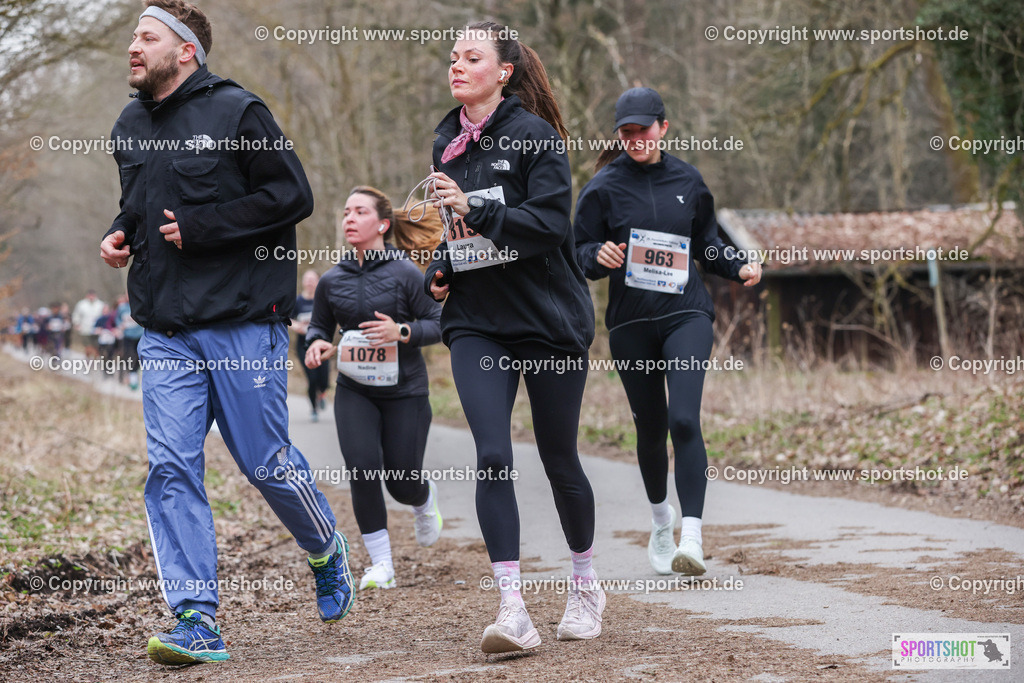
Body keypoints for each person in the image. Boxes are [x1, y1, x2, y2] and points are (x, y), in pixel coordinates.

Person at [98, 0, 354, 666]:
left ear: (186, 51)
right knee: (171, 466)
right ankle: (196, 617)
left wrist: (207, 227)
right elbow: (139, 205)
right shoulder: (130, 124)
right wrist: (120, 232)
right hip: (165, 330)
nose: (133, 47)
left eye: (147, 37)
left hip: (242, 322)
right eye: (132, 36)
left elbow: (292, 196)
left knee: (264, 462)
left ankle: (324, 546)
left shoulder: (239, 112)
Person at [423, 21, 603, 652]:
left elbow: (549, 226)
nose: (456, 65)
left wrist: (476, 207)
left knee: (559, 458)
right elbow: (456, 232)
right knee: (493, 455)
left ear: (504, 71)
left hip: (547, 321)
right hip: (478, 323)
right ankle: (512, 608)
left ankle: (585, 585)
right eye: (453, 56)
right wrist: (442, 268)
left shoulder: (537, 137)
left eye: (471, 57)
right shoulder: (446, 143)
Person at [574, 87, 762, 578]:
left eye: (644, 129)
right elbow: (579, 251)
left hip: (686, 315)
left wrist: (738, 266)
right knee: (651, 429)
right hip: (631, 323)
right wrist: (597, 255)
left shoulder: (688, 180)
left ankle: (692, 538)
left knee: (683, 419)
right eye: (627, 132)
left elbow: (707, 242)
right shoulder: (602, 188)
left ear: (664, 127)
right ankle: (662, 522)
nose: (636, 139)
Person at [305, 186, 444, 592]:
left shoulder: (406, 272)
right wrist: (317, 344)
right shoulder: (331, 280)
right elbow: (319, 327)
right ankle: (381, 565)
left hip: (406, 392)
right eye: (346, 212)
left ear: (382, 225)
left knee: (402, 482)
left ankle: (423, 499)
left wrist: (401, 331)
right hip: (355, 389)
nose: (349, 218)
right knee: (362, 469)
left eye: (359, 212)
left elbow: (438, 323)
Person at [292, 269, 330, 421]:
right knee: (312, 378)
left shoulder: (323, 299)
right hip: (304, 345)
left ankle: (322, 393)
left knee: (324, 380)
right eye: (307, 279)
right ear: (303, 282)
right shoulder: (297, 301)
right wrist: (296, 326)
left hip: (322, 344)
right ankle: (314, 409)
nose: (309, 282)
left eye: (312, 279)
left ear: (317, 281)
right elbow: (287, 319)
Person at [72, 290, 105, 357]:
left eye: (92, 295)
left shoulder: (101, 304)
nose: (91, 297)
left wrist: (103, 326)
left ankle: (95, 359)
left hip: (97, 329)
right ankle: (88, 358)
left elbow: (104, 316)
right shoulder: (81, 304)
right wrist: (76, 323)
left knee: (96, 346)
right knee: (87, 346)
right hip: (85, 329)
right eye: (90, 295)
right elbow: (76, 315)